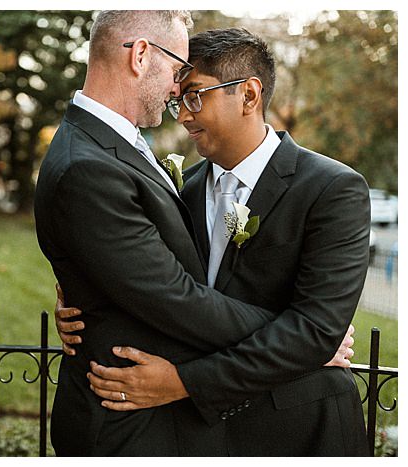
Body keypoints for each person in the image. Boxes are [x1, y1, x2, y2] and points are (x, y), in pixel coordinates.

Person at [53, 27, 371, 456]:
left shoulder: (333, 189)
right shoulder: (178, 190)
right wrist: (84, 302)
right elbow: (161, 289)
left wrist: (185, 383)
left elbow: (317, 326)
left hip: (298, 425)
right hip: (201, 436)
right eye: (177, 98)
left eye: (195, 96)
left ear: (249, 95)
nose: (182, 116)